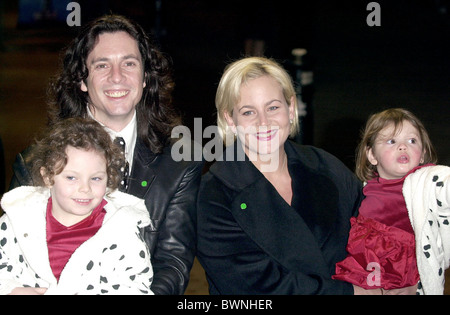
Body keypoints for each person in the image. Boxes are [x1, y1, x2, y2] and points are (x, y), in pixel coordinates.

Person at [8, 14, 203, 295]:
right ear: (82, 81)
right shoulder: (34, 165)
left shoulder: (181, 162)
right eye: (102, 65)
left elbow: (172, 264)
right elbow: (14, 261)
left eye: (129, 63)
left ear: (146, 77)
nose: (116, 77)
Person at [196, 56, 369, 294]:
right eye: (248, 112)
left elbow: (372, 231)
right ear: (230, 119)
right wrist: (356, 292)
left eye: (273, 107)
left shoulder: (327, 167)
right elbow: (261, 289)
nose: (264, 122)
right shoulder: (212, 197)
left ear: (291, 108)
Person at [0, 118, 153, 295]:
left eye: (96, 178)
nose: (85, 188)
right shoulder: (19, 220)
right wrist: (10, 290)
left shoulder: (122, 232)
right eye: (71, 178)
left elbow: (136, 287)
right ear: (48, 177)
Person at [333, 108, 450, 295]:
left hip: (405, 277)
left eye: (412, 141)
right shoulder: (364, 189)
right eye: (391, 141)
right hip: (366, 272)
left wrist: (416, 286)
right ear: (371, 155)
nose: (403, 147)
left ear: (422, 153)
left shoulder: (427, 181)